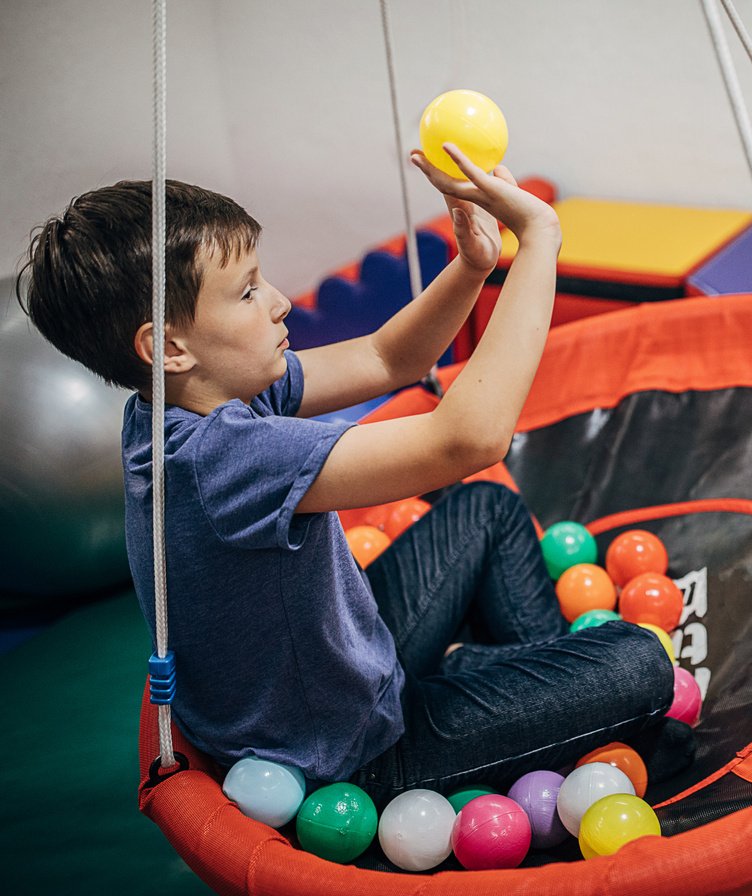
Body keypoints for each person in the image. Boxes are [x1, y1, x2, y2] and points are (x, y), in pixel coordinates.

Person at [16, 143, 692, 806]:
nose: (279, 301)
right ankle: (520, 701)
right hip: (353, 752)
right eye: (248, 291)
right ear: (166, 346)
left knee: (485, 510)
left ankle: (519, 695)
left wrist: (474, 265)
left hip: (347, 662)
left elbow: (385, 356)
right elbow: (470, 437)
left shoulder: (181, 400)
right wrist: (539, 239)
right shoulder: (219, 459)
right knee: (640, 661)